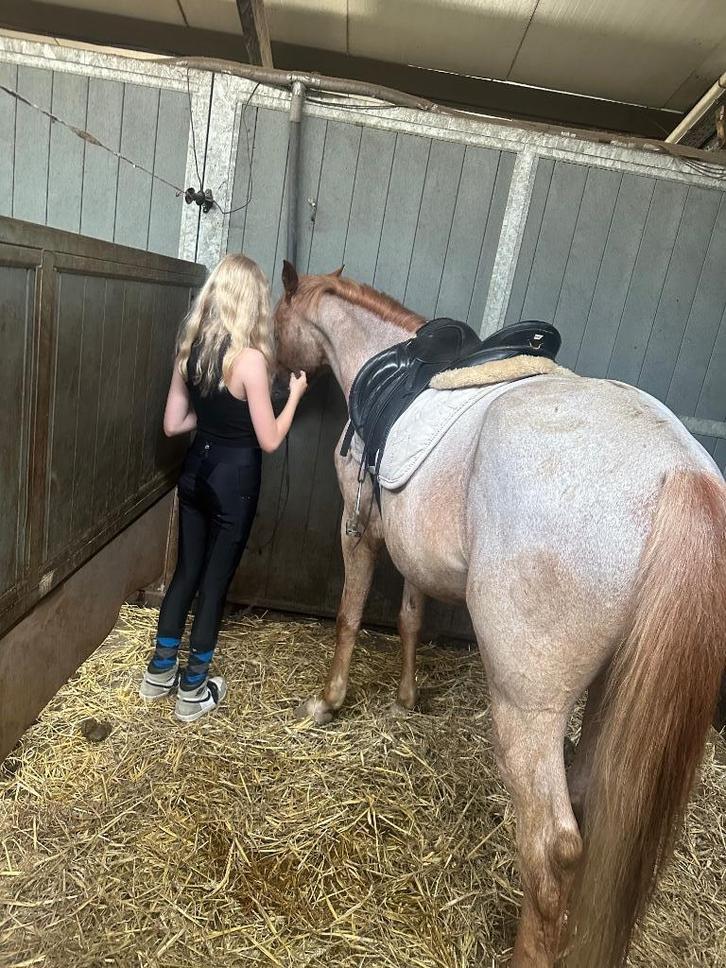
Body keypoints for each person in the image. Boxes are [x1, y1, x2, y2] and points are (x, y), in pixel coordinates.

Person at [139, 254, 307, 721]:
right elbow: (270, 439)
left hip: (195, 472)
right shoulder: (250, 360)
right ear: (252, 302)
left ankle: (158, 674)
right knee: (213, 584)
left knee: (185, 573)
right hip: (234, 481)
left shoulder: (189, 349)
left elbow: (173, 424)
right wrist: (292, 397)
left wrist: (210, 419)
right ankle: (193, 692)